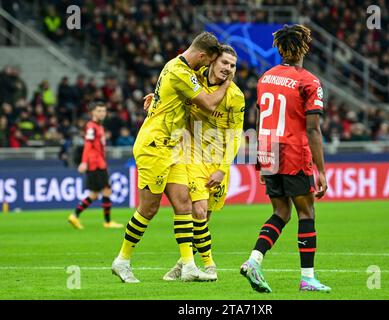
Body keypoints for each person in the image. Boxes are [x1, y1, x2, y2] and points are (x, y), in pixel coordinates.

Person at [111, 32, 231, 283]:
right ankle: (122, 261)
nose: (207, 67)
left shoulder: (176, 65)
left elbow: (172, 95)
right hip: (154, 146)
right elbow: (209, 103)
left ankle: (188, 266)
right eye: (208, 62)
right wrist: (227, 84)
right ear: (201, 55)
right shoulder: (180, 72)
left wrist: (156, 98)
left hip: (173, 147)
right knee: (149, 208)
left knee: (183, 204)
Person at [240, 24, 331, 293]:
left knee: (281, 211)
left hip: (269, 151)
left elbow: (258, 120)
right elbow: (313, 128)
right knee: (306, 212)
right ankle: (308, 279)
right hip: (293, 152)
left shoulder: (265, 77)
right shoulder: (309, 82)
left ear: (279, 48)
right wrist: (321, 171)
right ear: (304, 47)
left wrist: (260, 157)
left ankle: (254, 260)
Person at [158, 45, 245, 281]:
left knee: (204, 218)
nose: (228, 68)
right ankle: (209, 266)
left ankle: (184, 264)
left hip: (217, 161)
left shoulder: (235, 96)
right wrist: (156, 97)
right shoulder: (194, 80)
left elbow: (236, 136)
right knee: (197, 210)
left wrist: (222, 169)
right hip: (192, 155)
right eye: (225, 63)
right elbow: (172, 86)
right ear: (213, 62)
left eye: (232, 66)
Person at [68, 103, 123, 230]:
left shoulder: (99, 126)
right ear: (92, 112)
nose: (102, 113)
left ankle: (74, 216)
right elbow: (88, 144)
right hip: (95, 164)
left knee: (94, 194)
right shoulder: (91, 126)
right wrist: (84, 162)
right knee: (106, 190)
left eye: (104, 111)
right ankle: (107, 222)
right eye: (99, 111)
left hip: (99, 163)